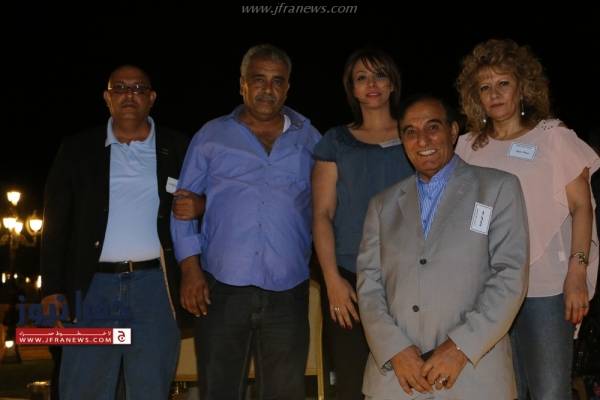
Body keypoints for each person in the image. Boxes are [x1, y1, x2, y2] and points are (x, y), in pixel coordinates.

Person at [170, 44, 321, 400]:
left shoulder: (311, 139)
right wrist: (190, 271)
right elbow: (182, 207)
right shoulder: (210, 136)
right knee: (219, 390)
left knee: (285, 394)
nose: (268, 89)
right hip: (221, 289)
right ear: (242, 85)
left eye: (277, 81)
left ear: (287, 88)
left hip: (288, 291)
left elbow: (325, 207)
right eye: (258, 79)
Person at [455, 38, 600, 399]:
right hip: (488, 290)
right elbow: (465, 220)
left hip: (546, 288)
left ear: (523, 87)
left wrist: (577, 274)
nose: (494, 94)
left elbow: (582, 208)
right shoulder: (467, 148)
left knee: (550, 392)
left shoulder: (553, 138)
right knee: (503, 393)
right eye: (484, 87)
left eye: (503, 83)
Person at [357, 94, 529, 399]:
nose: (422, 139)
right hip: (397, 379)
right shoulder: (381, 206)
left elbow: (510, 276)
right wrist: (394, 350)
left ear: (453, 131)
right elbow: (369, 287)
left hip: (474, 375)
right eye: (410, 131)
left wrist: (460, 347)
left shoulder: (498, 188)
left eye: (432, 127)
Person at [41, 65, 190, 400]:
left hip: (155, 290)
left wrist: (201, 205)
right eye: (120, 88)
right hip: (92, 290)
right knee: (84, 389)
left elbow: (202, 205)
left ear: (151, 98)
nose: (129, 95)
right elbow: (55, 225)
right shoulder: (77, 149)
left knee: (150, 389)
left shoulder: (179, 147)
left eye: (138, 88)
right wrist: (52, 289)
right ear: (107, 97)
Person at [311, 48, 412, 399]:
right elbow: (322, 215)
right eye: (361, 78)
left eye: (380, 75)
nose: (372, 84)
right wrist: (332, 281)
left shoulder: (414, 135)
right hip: (350, 278)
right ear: (351, 89)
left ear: (392, 83)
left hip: (408, 276)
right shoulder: (336, 141)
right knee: (351, 380)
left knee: (408, 378)